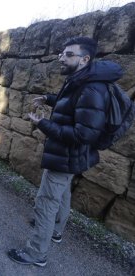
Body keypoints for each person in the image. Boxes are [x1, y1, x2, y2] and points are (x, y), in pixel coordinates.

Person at [7, 37, 124, 267]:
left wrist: (42, 123)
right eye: (62, 54)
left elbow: (83, 135)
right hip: (70, 158)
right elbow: (71, 104)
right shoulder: (81, 79)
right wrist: (49, 99)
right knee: (61, 195)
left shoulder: (91, 88)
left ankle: (35, 254)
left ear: (84, 59)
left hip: (65, 156)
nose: (62, 58)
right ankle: (56, 230)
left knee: (46, 202)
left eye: (68, 54)